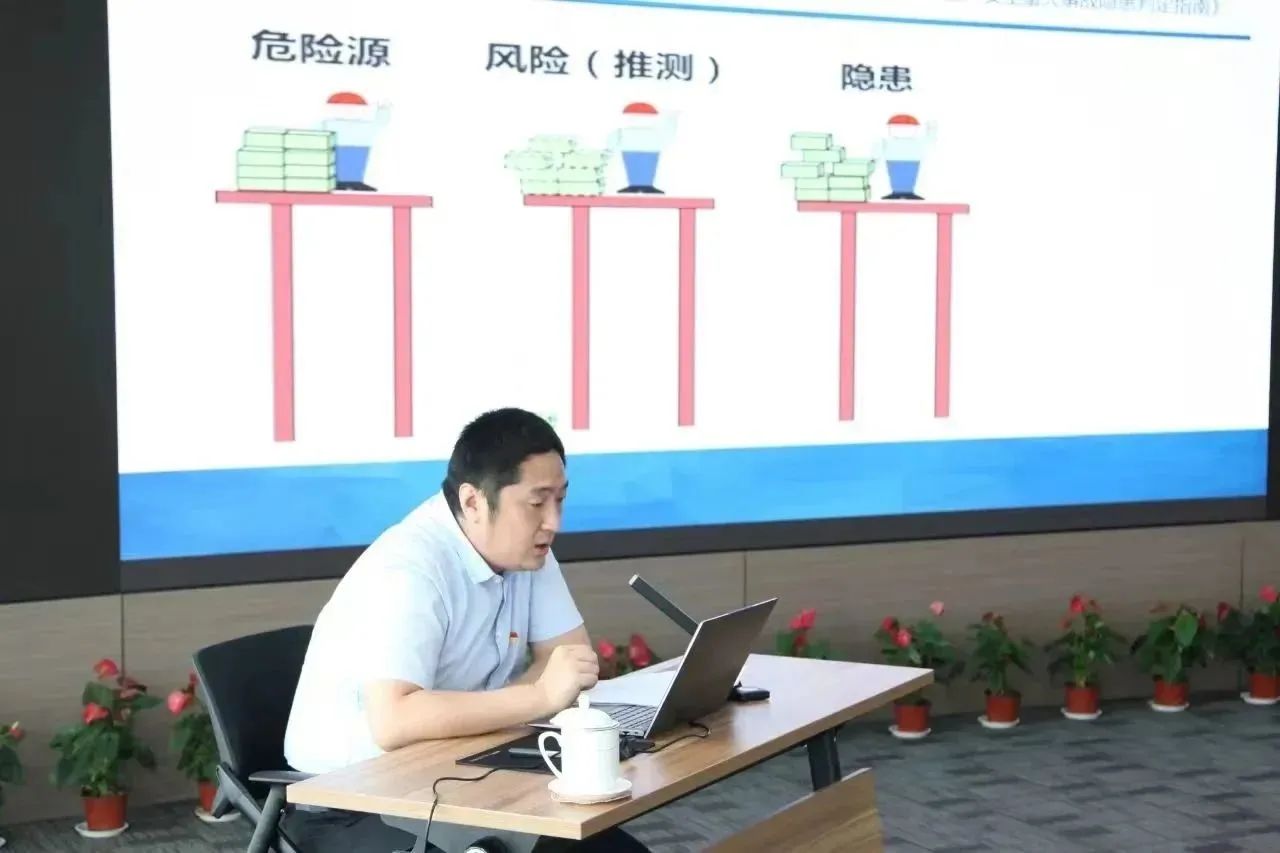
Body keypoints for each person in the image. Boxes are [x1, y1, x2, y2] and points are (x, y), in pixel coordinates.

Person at [281, 408, 650, 852]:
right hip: (350, 801)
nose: (554, 522)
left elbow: (570, 663)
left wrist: (534, 695)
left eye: (560, 499)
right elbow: (394, 719)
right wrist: (536, 696)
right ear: (473, 502)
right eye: (537, 503)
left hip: (455, 773)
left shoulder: (529, 549)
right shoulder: (410, 567)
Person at [871, 113, 938, 200]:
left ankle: (906, 192)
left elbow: (930, 139)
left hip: (907, 161)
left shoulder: (915, 142)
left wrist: (932, 127)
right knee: (898, 175)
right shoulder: (890, 142)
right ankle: (899, 192)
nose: (902, 131)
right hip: (896, 160)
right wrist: (932, 127)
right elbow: (930, 139)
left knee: (908, 175)